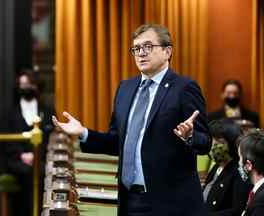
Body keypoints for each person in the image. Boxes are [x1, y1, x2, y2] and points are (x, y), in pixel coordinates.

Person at [53, 24, 211, 216]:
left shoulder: (184, 88)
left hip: (170, 204)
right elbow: (116, 142)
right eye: (136, 48)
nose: (141, 53)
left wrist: (190, 136)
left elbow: (205, 143)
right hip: (130, 201)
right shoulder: (126, 88)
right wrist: (83, 133)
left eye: (148, 47)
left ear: (167, 51)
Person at [5, 69, 55, 216]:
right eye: (22, 85)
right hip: (17, 160)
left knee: (43, 173)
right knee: (27, 174)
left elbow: (51, 138)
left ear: (36, 86)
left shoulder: (47, 110)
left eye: (29, 84)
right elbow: (7, 141)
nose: (25, 88)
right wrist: (22, 155)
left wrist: (37, 155)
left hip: (42, 160)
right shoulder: (10, 112)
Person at [203, 119, 251, 215]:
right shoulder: (217, 167)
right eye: (212, 140)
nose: (213, 146)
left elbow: (237, 210)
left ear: (232, 144)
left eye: (219, 142)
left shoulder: (239, 171)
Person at [238, 129, 264, 216]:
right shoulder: (257, 192)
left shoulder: (261, 200)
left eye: (240, 158)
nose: (239, 163)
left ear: (249, 165)